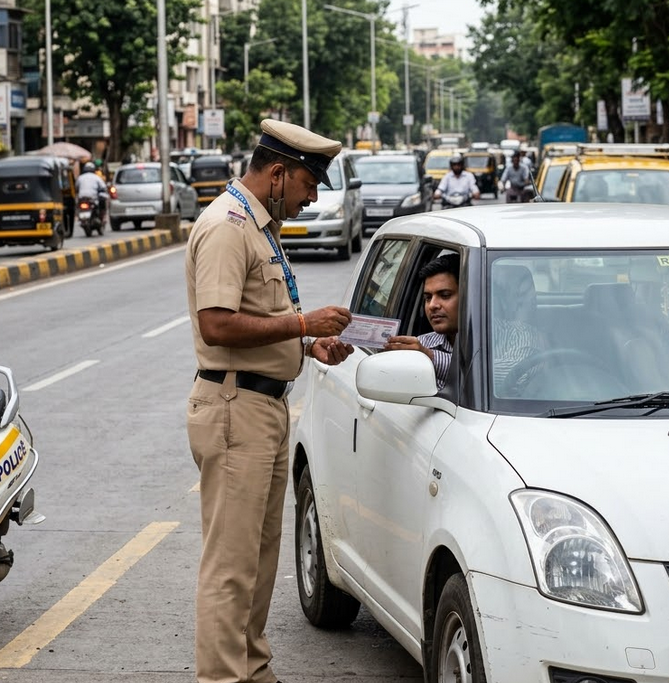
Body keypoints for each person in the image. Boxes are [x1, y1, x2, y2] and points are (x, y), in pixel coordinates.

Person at [185, 118, 354, 683]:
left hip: (265, 407)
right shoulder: (229, 228)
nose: (310, 200)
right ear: (278, 173)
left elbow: (258, 317)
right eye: (308, 186)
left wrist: (307, 342)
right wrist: (301, 322)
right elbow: (216, 324)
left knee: (259, 559)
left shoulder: (260, 226)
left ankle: (252, 669)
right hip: (235, 409)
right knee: (231, 566)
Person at [382, 254, 459, 387]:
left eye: (445, 295)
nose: (432, 305)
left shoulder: (504, 338)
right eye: (428, 298)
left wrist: (429, 358)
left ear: (470, 295)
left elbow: (492, 380)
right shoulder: (421, 345)